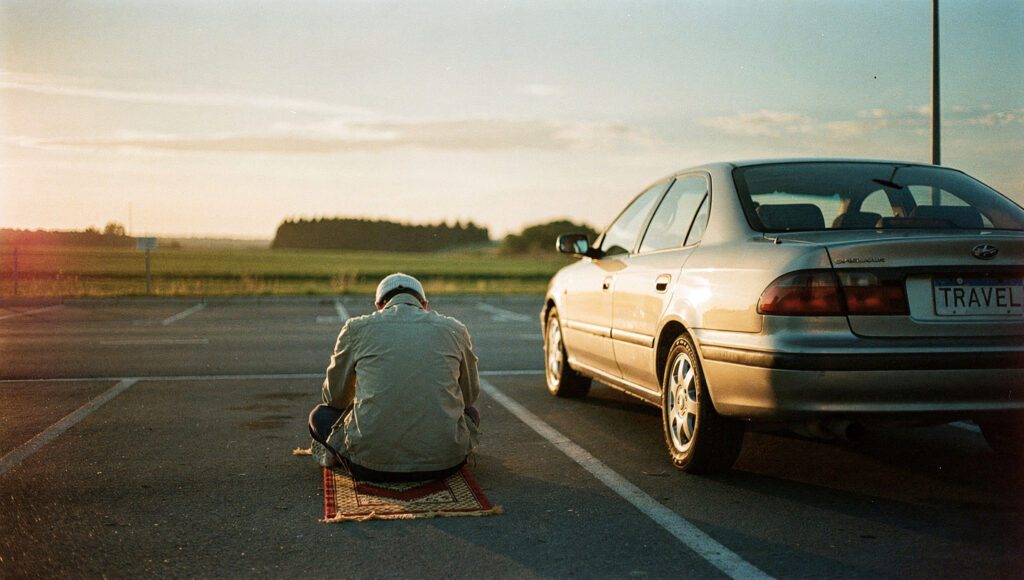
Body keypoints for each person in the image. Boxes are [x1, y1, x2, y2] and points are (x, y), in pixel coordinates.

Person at [308, 273, 480, 482]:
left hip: (368, 465)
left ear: (379, 305)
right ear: (424, 305)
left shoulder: (355, 328)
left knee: (320, 415)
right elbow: (469, 396)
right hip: (446, 464)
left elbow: (334, 399)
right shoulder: (455, 329)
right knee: (471, 413)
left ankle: (337, 453)